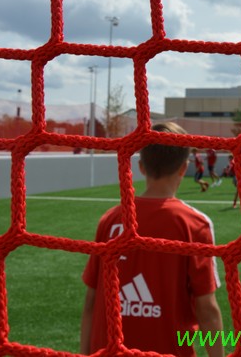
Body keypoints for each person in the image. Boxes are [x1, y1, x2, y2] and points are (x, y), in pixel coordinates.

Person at [80, 122, 224, 357]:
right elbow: (206, 309)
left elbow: (91, 302)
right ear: (183, 168)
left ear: (141, 167)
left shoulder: (110, 219)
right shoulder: (194, 225)